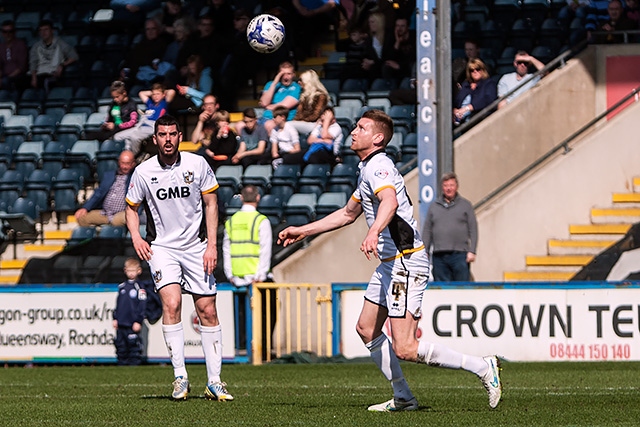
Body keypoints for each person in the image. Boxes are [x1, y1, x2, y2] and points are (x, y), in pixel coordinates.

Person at [277, 110, 501, 412]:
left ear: (378, 138)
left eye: (361, 127)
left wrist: (374, 231)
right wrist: (302, 230)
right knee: (367, 329)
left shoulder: (379, 166)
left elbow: (390, 201)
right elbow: (347, 213)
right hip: (390, 263)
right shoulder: (367, 168)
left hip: (406, 261)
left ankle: (482, 367)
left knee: (406, 347)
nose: (354, 131)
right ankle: (403, 397)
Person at [125, 115, 233, 401]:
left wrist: (212, 245)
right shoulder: (143, 171)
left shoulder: (197, 164)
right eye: (163, 134)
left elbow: (212, 204)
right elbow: (131, 207)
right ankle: (180, 378)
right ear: (155, 138)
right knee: (171, 303)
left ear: (180, 136)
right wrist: (136, 237)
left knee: (207, 310)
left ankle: (215, 381)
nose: (168, 139)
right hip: (162, 247)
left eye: (173, 134)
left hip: (197, 247)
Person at [222, 184, 273, 353]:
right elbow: (265, 250)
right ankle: (262, 350)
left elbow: (226, 248)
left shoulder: (232, 221)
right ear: (258, 198)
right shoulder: (261, 220)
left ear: (242, 198)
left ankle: (241, 348)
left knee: (240, 317)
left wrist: (229, 273)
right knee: (264, 317)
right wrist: (261, 274)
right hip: (257, 278)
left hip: (237, 277)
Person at [422, 172, 478, 282]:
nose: (449, 188)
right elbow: (427, 230)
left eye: (451, 185)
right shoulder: (434, 206)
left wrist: (472, 251)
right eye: (446, 185)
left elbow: (473, 229)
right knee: (441, 290)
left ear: (457, 186)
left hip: (460, 255)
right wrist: (425, 251)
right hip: (439, 256)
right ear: (442, 187)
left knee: (461, 289)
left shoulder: (466, 205)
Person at [74, 150, 136, 227]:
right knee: (81, 218)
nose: (124, 167)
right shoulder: (109, 175)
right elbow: (98, 193)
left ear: (133, 163)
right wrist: (85, 208)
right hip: (105, 213)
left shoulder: (135, 177)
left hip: (123, 213)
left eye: (127, 164)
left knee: (116, 221)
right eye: (122, 163)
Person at [114, 83, 176, 155]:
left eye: (158, 94)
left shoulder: (164, 103)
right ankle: (126, 153)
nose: (155, 96)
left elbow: (172, 91)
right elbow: (141, 93)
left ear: (163, 94)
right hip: (141, 125)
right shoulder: (150, 104)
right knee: (118, 137)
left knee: (134, 137)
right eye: (153, 94)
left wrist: (161, 92)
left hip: (153, 126)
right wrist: (154, 92)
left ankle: (133, 156)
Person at [113, 257, 147, 365]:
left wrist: (138, 320)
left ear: (139, 271)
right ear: (125, 271)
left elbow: (142, 305)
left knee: (133, 346)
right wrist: (115, 318)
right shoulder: (122, 287)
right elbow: (118, 305)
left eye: (133, 271)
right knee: (120, 346)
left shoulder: (139, 287)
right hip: (121, 322)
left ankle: (134, 365)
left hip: (132, 323)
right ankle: (121, 365)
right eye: (129, 270)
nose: (131, 273)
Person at [29, 19, 79, 92]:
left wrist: (62, 65)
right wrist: (34, 78)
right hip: (39, 73)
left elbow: (74, 56)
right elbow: (33, 63)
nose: (43, 33)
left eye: (46, 30)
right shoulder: (36, 46)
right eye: (41, 30)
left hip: (53, 74)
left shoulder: (60, 43)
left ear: (52, 31)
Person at [259, 61, 301, 134]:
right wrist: (275, 83)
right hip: (265, 117)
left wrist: (268, 106)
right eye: (283, 74)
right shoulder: (270, 84)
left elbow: (283, 107)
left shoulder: (296, 88)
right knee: (240, 125)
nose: (285, 77)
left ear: (293, 74)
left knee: (269, 125)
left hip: (282, 119)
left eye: (289, 74)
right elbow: (264, 102)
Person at [453, 59, 497, 126]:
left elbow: (489, 100)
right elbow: (457, 101)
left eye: (478, 69)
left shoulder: (489, 84)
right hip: (460, 120)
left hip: (479, 119)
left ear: (482, 70)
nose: (475, 72)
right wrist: (454, 110)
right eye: (471, 70)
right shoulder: (466, 85)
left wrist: (468, 108)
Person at [288, 70, 330, 136]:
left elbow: (316, 115)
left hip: (314, 124)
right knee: (283, 126)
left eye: (301, 80)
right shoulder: (304, 96)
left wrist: (303, 120)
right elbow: (299, 113)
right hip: (303, 122)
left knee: (287, 125)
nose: (299, 82)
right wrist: (297, 120)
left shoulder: (321, 96)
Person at [0, 20, 28, 92]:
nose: (8, 34)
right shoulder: (1, 46)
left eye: (10, 31)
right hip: (4, 76)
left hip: (18, 77)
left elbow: (21, 67)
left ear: (14, 32)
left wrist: (8, 77)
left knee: (6, 82)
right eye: (5, 32)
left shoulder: (20, 45)